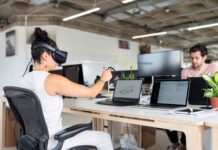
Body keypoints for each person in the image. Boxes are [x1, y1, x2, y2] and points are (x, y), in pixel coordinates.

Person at [20, 27, 113, 150]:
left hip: (34, 141)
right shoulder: (52, 79)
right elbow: (92, 92)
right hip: (53, 141)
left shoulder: (24, 79)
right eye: (55, 54)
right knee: (104, 137)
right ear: (45, 56)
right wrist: (103, 79)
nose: (58, 60)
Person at [166, 44, 218, 150]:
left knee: (192, 122)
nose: (194, 61)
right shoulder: (185, 71)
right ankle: (175, 143)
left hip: (209, 105)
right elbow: (182, 91)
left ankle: (183, 145)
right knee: (168, 118)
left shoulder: (213, 67)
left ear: (204, 57)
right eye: (192, 58)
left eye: (197, 58)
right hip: (190, 103)